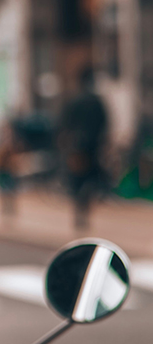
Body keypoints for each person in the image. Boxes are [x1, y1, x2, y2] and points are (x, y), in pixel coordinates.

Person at [59, 67, 108, 230]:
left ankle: (79, 213)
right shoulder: (96, 101)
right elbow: (105, 123)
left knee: (76, 180)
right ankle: (85, 208)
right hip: (92, 147)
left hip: (76, 148)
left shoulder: (73, 101)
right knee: (91, 179)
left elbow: (64, 124)